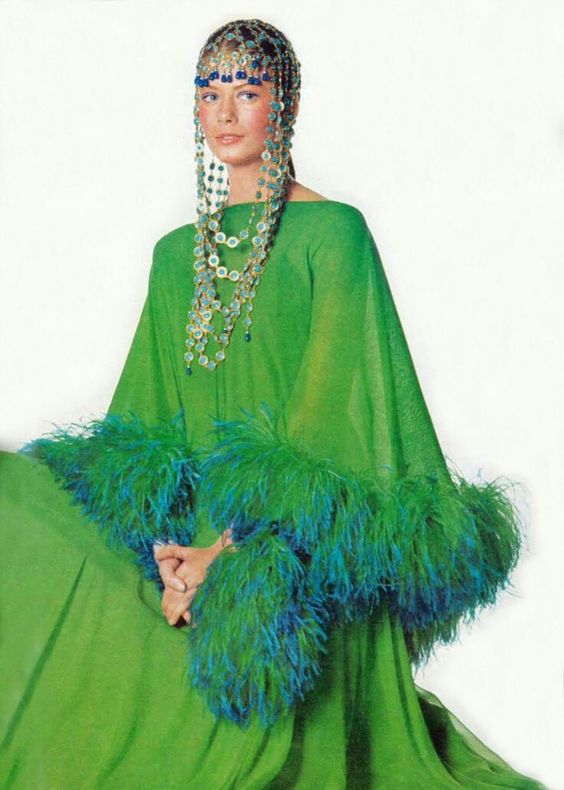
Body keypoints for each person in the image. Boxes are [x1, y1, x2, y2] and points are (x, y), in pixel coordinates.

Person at [0, 17, 546, 789]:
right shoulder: (174, 257)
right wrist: (168, 557)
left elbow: (327, 432)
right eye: (209, 93)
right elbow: (145, 425)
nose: (225, 114)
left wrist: (222, 555)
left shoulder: (334, 236)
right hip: (187, 553)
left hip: (290, 550)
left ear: (284, 105)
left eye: (247, 93)